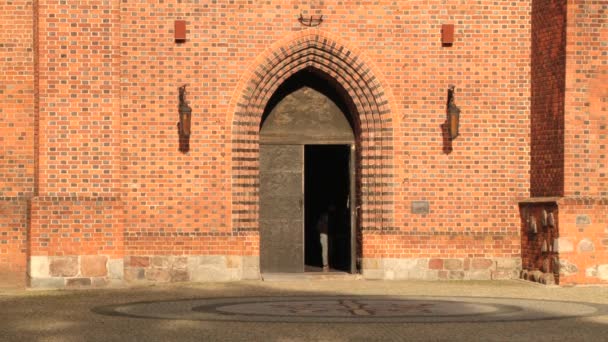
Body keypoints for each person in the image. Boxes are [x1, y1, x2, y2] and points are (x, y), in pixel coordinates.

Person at [316, 205, 335, 272]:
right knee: (325, 250)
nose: (333, 208)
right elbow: (318, 226)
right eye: (332, 207)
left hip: (328, 234)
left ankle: (327, 264)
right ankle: (325, 265)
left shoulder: (332, 217)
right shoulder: (325, 216)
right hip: (324, 234)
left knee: (329, 250)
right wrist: (322, 232)